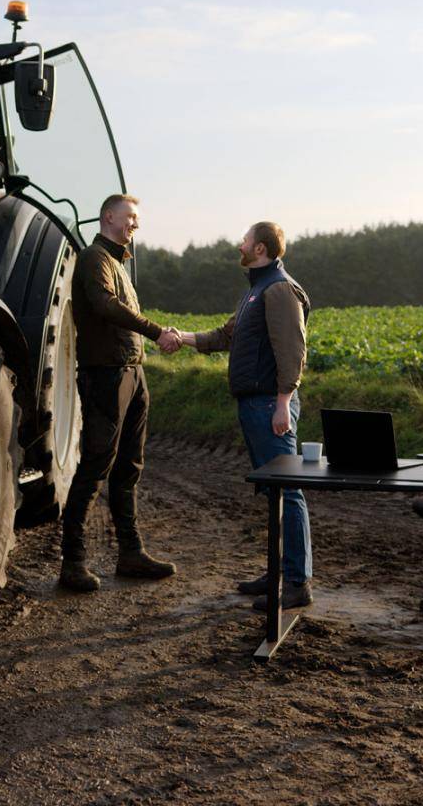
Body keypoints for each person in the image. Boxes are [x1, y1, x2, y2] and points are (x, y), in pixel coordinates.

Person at [171, 221, 314, 610]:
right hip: (256, 405)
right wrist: (182, 338)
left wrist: (283, 402)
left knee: (287, 491)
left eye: (246, 241)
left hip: (270, 405)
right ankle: (278, 572)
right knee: (273, 492)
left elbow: (292, 351)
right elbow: (225, 336)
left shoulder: (279, 289)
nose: (240, 245)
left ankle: (297, 583)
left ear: (261, 248)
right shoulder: (256, 290)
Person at [59, 193, 179, 592]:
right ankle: (73, 562)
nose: (136, 225)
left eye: (137, 219)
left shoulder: (118, 263)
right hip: (106, 376)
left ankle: (131, 553)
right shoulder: (94, 258)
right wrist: (156, 332)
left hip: (132, 373)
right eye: (130, 217)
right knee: (96, 465)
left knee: (130, 466)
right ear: (108, 217)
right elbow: (106, 305)